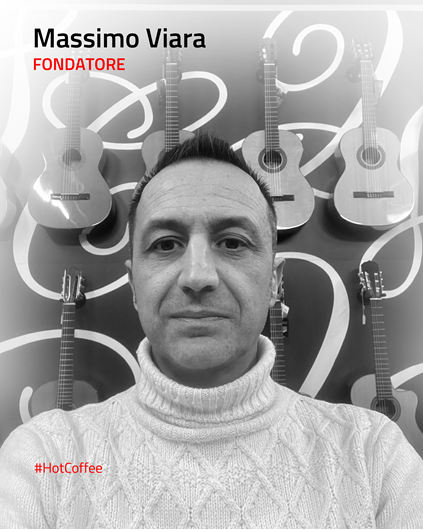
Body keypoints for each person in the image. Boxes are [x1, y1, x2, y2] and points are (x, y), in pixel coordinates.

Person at [0, 132, 423, 529]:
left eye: (233, 243)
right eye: (166, 244)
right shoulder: (48, 456)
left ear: (274, 282)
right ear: (133, 286)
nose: (198, 276)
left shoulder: (372, 453)